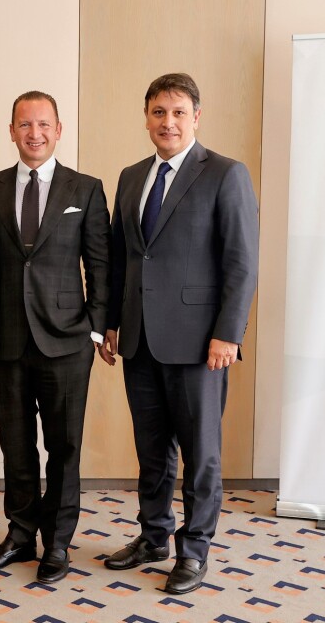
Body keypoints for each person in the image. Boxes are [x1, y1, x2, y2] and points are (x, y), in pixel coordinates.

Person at [102, 73, 258, 595]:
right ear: (146, 117)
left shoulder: (226, 174)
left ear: (196, 117)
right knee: (151, 451)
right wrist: (112, 323)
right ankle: (153, 537)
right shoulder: (131, 177)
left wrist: (228, 333)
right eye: (158, 112)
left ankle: (194, 550)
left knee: (201, 453)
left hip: (200, 344)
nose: (167, 122)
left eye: (177, 112)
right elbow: (123, 258)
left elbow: (242, 262)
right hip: (139, 339)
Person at [0, 91, 111, 584]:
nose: (35, 133)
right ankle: (21, 533)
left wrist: (95, 329)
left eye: (44, 124)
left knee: (65, 448)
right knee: (16, 444)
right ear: (11, 131)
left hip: (67, 342)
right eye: (25, 124)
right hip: (4, 340)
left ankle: (59, 542)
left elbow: (101, 266)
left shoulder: (85, 189)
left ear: (58, 130)